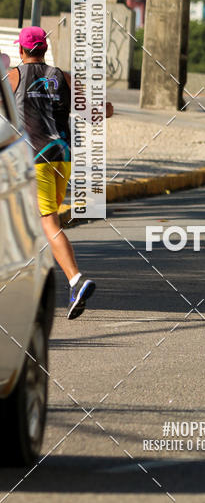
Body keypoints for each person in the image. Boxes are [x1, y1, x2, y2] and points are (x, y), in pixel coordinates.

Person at [7, 26, 113, 320]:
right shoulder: (63, 77)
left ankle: (76, 280)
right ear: (44, 48)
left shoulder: (13, 77)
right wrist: (107, 108)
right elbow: (95, 111)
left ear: (21, 50)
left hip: (33, 158)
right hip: (62, 159)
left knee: (48, 224)